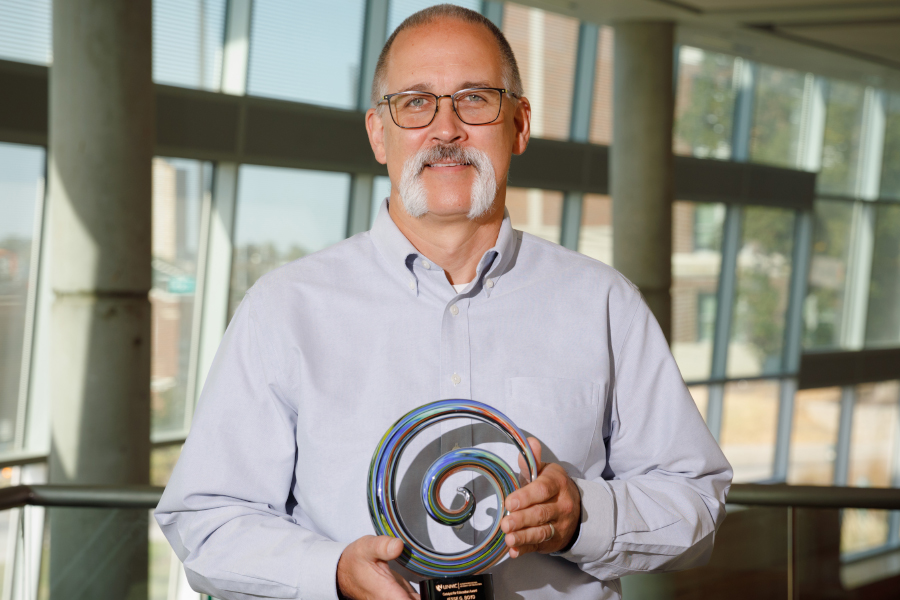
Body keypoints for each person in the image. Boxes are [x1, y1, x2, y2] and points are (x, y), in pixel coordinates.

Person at [155, 5, 732, 600]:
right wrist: (330, 573)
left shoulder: (603, 302)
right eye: (415, 103)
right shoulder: (284, 309)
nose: (446, 129)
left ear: (520, 124)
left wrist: (583, 515)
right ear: (380, 134)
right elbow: (207, 524)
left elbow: (696, 501)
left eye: (475, 99)